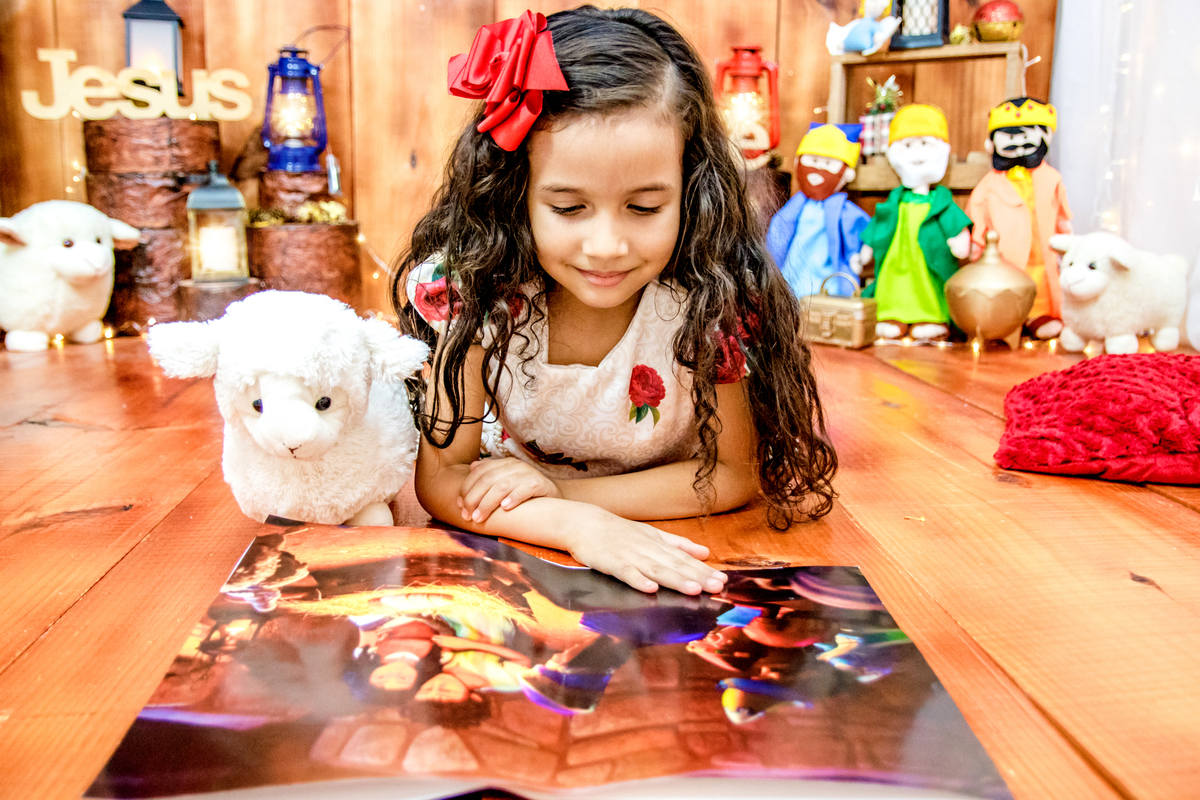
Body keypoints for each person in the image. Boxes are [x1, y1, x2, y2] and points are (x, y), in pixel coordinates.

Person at [394, 7, 837, 596]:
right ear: (514, 194)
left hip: (623, 527)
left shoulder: (712, 298)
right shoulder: (475, 289)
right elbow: (443, 479)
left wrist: (570, 497)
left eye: (645, 207)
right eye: (569, 208)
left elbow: (733, 474)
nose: (607, 246)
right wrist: (573, 527)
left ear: (692, 187)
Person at [966, 98, 1073, 340]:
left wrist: (1068, 238)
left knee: (1042, 282)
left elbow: (1062, 213)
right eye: (1009, 137)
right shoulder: (990, 183)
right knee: (1004, 285)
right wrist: (975, 245)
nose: (1018, 143)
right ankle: (1006, 320)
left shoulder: (1051, 178)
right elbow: (977, 213)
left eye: (1025, 135)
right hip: (1003, 255)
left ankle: (1040, 315)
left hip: (1042, 249)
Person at [766, 123, 869, 299]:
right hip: (793, 271)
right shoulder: (795, 205)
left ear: (847, 174)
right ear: (799, 163)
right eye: (813, 161)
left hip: (828, 277)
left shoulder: (843, 209)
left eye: (828, 163)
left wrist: (858, 254)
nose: (818, 169)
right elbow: (778, 230)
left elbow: (864, 230)